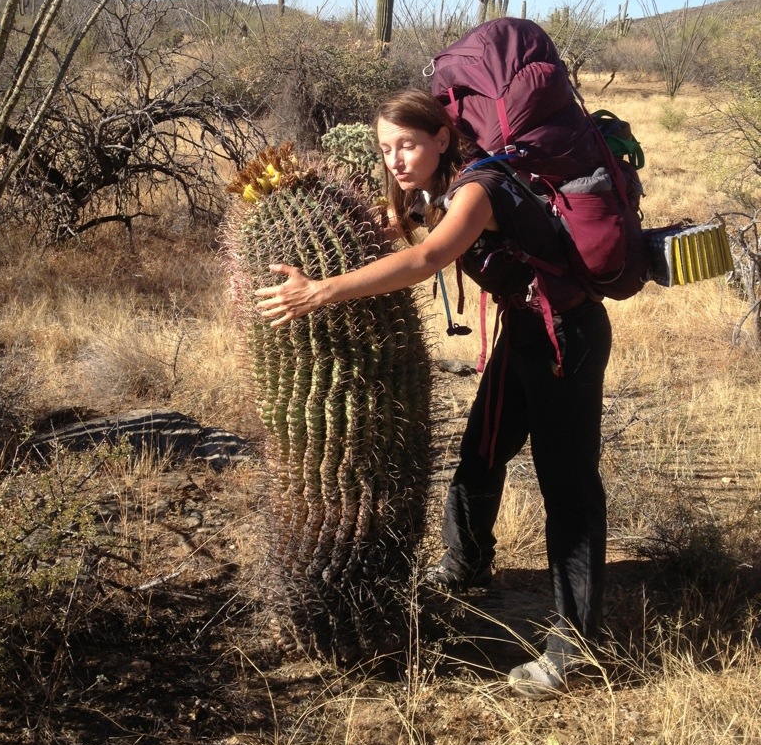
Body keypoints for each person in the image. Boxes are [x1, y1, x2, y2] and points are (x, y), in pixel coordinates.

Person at [255, 88, 612, 698]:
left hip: (565, 338)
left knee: (568, 488)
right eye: (386, 147)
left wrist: (322, 290)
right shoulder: (431, 190)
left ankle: (575, 649)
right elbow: (399, 227)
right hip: (525, 332)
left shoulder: (477, 188)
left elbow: (428, 256)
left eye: (408, 144)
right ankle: (465, 566)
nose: (395, 159)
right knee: (481, 452)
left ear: (442, 138)